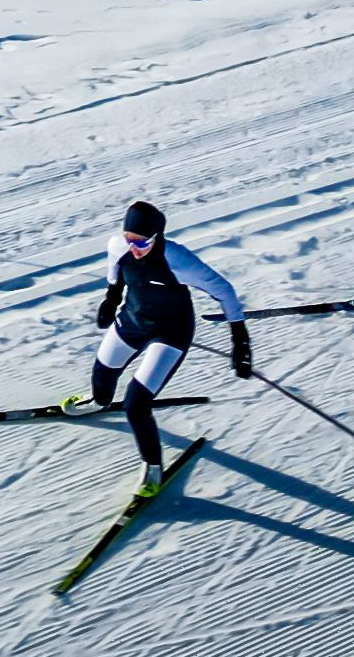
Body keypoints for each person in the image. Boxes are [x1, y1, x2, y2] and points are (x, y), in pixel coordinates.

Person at [90, 200, 250, 497]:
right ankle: (98, 403)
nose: (135, 247)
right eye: (130, 239)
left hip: (171, 333)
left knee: (135, 405)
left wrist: (240, 340)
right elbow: (116, 272)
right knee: (101, 375)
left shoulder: (177, 259)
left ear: (158, 236)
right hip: (133, 320)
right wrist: (111, 300)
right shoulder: (118, 245)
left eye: (143, 241)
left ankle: (152, 468)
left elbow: (224, 291)